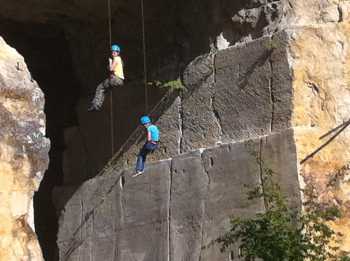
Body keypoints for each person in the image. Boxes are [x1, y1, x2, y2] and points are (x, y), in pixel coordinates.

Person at [88, 44, 124, 111]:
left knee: (100, 87)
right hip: (119, 81)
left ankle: (96, 105)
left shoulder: (117, 58)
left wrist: (110, 62)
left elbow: (111, 69)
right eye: (112, 51)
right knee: (103, 89)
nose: (113, 53)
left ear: (118, 53)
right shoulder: (120, 60)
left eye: (115, 52)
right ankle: (97, 105)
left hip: (115, 79)